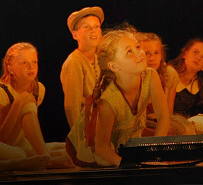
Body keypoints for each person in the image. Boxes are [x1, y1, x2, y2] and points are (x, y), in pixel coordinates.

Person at [66, 26, 169, 167]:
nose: (139, 53)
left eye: (138, 47)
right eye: (129, 52)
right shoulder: (108, 101)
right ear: (114, 66)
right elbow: (101, 148)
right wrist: (127, 165)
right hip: (97, 153)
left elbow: (163, 116)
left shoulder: (150, 75)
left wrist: (154, 152)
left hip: (126, 143)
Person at [0, 42, 73, 168]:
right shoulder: (1, 92)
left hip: (20, 140)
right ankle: (46, 159)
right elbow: (3, 137)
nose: (31, 67)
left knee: (66, 148)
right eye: (23, 63)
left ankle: (42, 155)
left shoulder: (39, 89)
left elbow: (28, 125)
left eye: (34, 62)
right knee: (27, 104)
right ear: (10, 69)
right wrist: (19, 103)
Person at [60, 6, 105, 129]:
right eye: (86, 27)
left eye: (96, 26)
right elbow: (72, 106)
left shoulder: (99, 58)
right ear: (75, 35)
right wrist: (78, 135)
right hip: (87, 127)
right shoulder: (75, 62)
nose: (93, 31)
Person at [135, 31, 183, 136]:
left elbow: (169, 113)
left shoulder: (170, 75)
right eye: (147, 53)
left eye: (156, 53)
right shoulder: (133, 75)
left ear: (162, 55)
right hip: (139, 124)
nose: (152, 58)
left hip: (160, 122)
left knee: (184, 130)